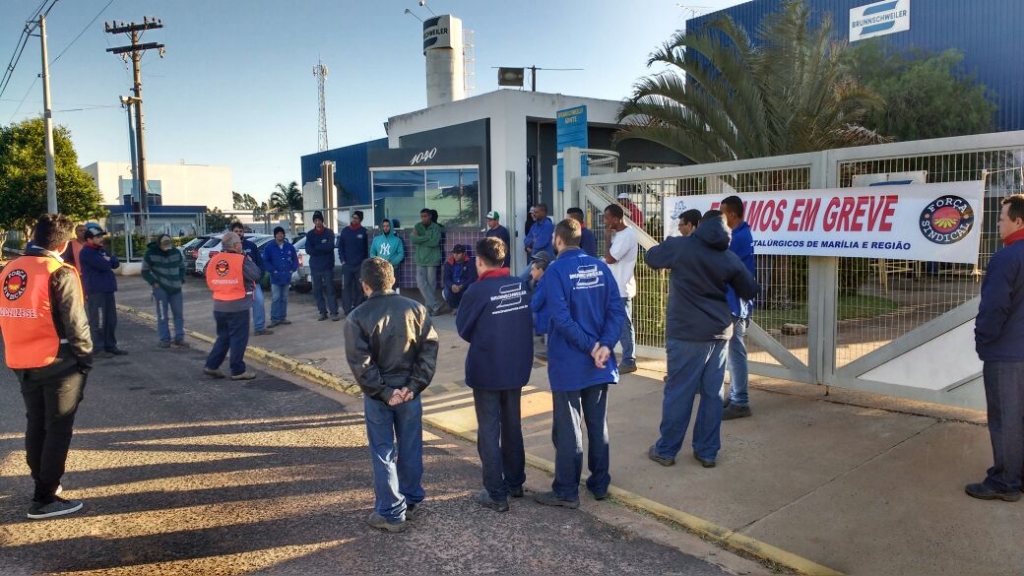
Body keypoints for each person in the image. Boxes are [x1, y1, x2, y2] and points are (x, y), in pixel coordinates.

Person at [645, 210, 757, 469]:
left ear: (699, 226)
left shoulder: (681, 246)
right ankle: (707, 452)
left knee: (679, 392)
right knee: (712, 394)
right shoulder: (727, 256)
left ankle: (666, 450)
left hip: (686, 334)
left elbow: (651, 257)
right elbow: (749, 289)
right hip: (719, 333)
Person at [0, 214, 92, 519]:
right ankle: (44, 497)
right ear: (64, 244)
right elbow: (76, 323)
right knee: (57, 428)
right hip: (57, 360)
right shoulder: (59, 271)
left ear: (35, 236)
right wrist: (85, 358)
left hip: (20, 359)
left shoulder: (10, 269)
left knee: (36, 423)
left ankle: (42, 481)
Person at [534, 218, 625, 509]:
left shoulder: (556, 271)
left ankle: (566, 490)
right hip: (599, 363)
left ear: (558, 240)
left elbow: (560, 319)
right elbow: (616, 310)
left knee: (569, 427)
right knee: (597, 425)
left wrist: (592, 347)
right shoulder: (600, 267)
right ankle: (599, 484)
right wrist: (605, 346)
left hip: (569, 363)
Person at [344, 257, 439, 532]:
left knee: (383, 449)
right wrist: (412, 387)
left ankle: (390, 510)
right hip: (410, 390)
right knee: (410, 444)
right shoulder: (417, 308)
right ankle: (409, 499)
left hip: (379, 393)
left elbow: (361, 364)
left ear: (364, 285)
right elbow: (429, 350)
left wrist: (386, 392)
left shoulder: (356, 317)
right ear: (393, 280)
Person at [456, 237, 532, 512]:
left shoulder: (477, 290)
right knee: (512, 425)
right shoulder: (519, 286)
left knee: (489, 428)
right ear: (503, 260)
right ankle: (515, 483)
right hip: (515, 367)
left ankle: (496, 493)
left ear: (479, 261)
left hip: (487, 368)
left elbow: (463, 328)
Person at [968, 194, 1024, 502]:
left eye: (1002, 218)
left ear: (1018, 221)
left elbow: (994, 308)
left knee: (1006, 420)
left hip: (1007, 356)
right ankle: (1017, 474)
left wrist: (983, 341)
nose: (999, 224)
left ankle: (1005, 482)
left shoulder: (1007, 258)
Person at [204, 232, 261, 381]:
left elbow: (207, 276)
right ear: (236, 245)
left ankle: (212, 365)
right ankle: (237, 370)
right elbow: (256, 274)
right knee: (238, 339)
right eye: (240, 243)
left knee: (223, 337)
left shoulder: (215, 259)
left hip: (219, 305)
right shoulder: (240, 260)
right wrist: (246, 258)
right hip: (237, 305)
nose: (242, 245)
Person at [720, 196, 757, 420]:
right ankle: (735, 394)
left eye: (723, 213)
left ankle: (740, 401)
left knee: (735, 352)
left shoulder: (738, 238)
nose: (721, 218)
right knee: (732, 352)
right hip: (734, 300)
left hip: (736, 302)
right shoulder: (741, 233)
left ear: (732, 214)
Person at [78, 224, 126, 358]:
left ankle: (110, 345)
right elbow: (104, 266)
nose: (101, 239)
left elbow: (115, 263)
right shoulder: (86, 252)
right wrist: (108, 260)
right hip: (95, 291)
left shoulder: (101, 251)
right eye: (97, 237)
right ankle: (98, 348)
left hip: (108, 289)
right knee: (97, 320)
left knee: (110, 320)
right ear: (89, 239)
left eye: (101, 236)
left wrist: (109, 259)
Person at [603, 204, 639, 374]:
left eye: (607, 217)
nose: (605, 221)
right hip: (615, 286)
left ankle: (629, 360)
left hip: (621, 288)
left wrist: (607, 237)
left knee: (625, 324)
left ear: (616, 218)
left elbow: (611, 259)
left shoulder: (626, 235)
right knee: (616, 323)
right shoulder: (622, 234)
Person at [141, 233, 188, 348]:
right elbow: (145, 271)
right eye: (164, 245)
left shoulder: (176, 252)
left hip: (176, 288)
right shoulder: (150, 253)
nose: (167, 247)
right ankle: (165, 339)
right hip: (161, 289)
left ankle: (179, 338)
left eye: (168, 244)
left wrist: (181, 279)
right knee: (163, 315)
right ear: (159, 244)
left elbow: (182, 267)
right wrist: (153, 282)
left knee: (178, 314)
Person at [230, 222, 272, 335]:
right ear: (232, 233)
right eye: (236, 231)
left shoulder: (251, 246)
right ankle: (238, 330)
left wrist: (259, 275)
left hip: (252, 282)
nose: (239, 233)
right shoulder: (228, 248)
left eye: (240, 231)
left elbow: (260, 262)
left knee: (259, 301)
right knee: (238, 307)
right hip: (237, 284)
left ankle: (259, 328)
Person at [306, 211, 339, 321]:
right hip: (315, 267)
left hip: (327, 266)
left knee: (330, 290)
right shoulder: (310, 234)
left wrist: (317, 247)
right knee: (317, 291)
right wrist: (322, 247)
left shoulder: (329, 232)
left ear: (322, 220)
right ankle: (322, 312)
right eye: (315, 220)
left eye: (319, 220)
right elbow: (308, 250)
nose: (317, 222)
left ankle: (334, 312)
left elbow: (330, 247)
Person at [263, 226, 299, 327]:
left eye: (281, 233)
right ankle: (274, 319)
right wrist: (272, 270)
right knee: (276, 298)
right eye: (278, 233)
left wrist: (292, 269)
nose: (280, 235)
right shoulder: (269, 247)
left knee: (284, 298)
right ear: (275, 235)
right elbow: (265, 260)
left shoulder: (289, 246)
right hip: (275, 278)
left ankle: (283, 317)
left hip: (286, 277)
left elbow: (295, 259)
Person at [411, 208, 444, 315]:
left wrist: (420, 239)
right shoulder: (418, 226)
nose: (423, 218)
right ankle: (436, 304)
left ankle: (430, 309)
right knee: (421, 284)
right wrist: (426, 238)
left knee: (431, 285)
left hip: (432, 259)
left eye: (425, 216)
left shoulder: (436, 227)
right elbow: (413, 239)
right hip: (420, 259)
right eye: (422, 216)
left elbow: (434, 242)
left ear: (430, 216)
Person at [339, 210, 370, 314]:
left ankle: (358, 309)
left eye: (356, 218)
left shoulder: (364, 232)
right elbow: (340, 247)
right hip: (347, 265)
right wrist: (343, 260)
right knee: (346, 287)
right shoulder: (345, 231)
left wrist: (364, 263)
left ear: (360, 220)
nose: (353, 219)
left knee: (359, 287)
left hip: (359, 266)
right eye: (353, 217)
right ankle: (347, 310)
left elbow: (366, 249)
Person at [528, 251, 552, 361]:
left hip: (547, 317)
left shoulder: (544, 282)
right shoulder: (547, 278)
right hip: (550, 315)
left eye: (533, 270)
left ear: (541, 270)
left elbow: (535, 305)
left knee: (523, 316)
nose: (531, 273)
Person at [370, 219, 405, 289]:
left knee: (392, 291)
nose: (385, 228)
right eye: (384, 226)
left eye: (387, 226)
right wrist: (378, 261)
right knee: (379, 290)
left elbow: (401, 254)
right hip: (379, 269)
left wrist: (390, 263)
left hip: (392, 269)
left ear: (391, 227)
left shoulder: (397, 240)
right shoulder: (376, 240)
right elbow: (372, 252)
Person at [442, 244, 477, 313]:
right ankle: (455, 307)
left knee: (469, 291)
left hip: (465, 287)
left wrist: (461, 286)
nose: (456, 255)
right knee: (446, 292)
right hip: (454, 287)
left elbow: (472, 278)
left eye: (458, 253)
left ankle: (462, 307)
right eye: (454, 253)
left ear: (464, 254)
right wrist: (452, 286)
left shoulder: (470, 263)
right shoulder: (448, 263)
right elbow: (446, 279)